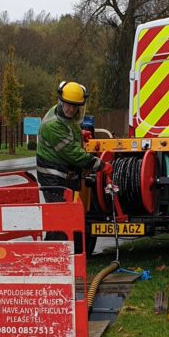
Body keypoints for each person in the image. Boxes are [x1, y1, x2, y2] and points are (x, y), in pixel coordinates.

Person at [36, 81, 112, 240]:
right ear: (61, 101)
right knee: (59, 218)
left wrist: (80, 134)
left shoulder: (61, 114)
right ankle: (52, 256)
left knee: (65, 216)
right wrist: (101, 165)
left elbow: (70, 131)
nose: (70, 109)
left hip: (63, 173)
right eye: (67, 105)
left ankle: (66, 253)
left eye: (75, 106)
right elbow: (74, 154)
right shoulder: (53, 126)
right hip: (52, 176)